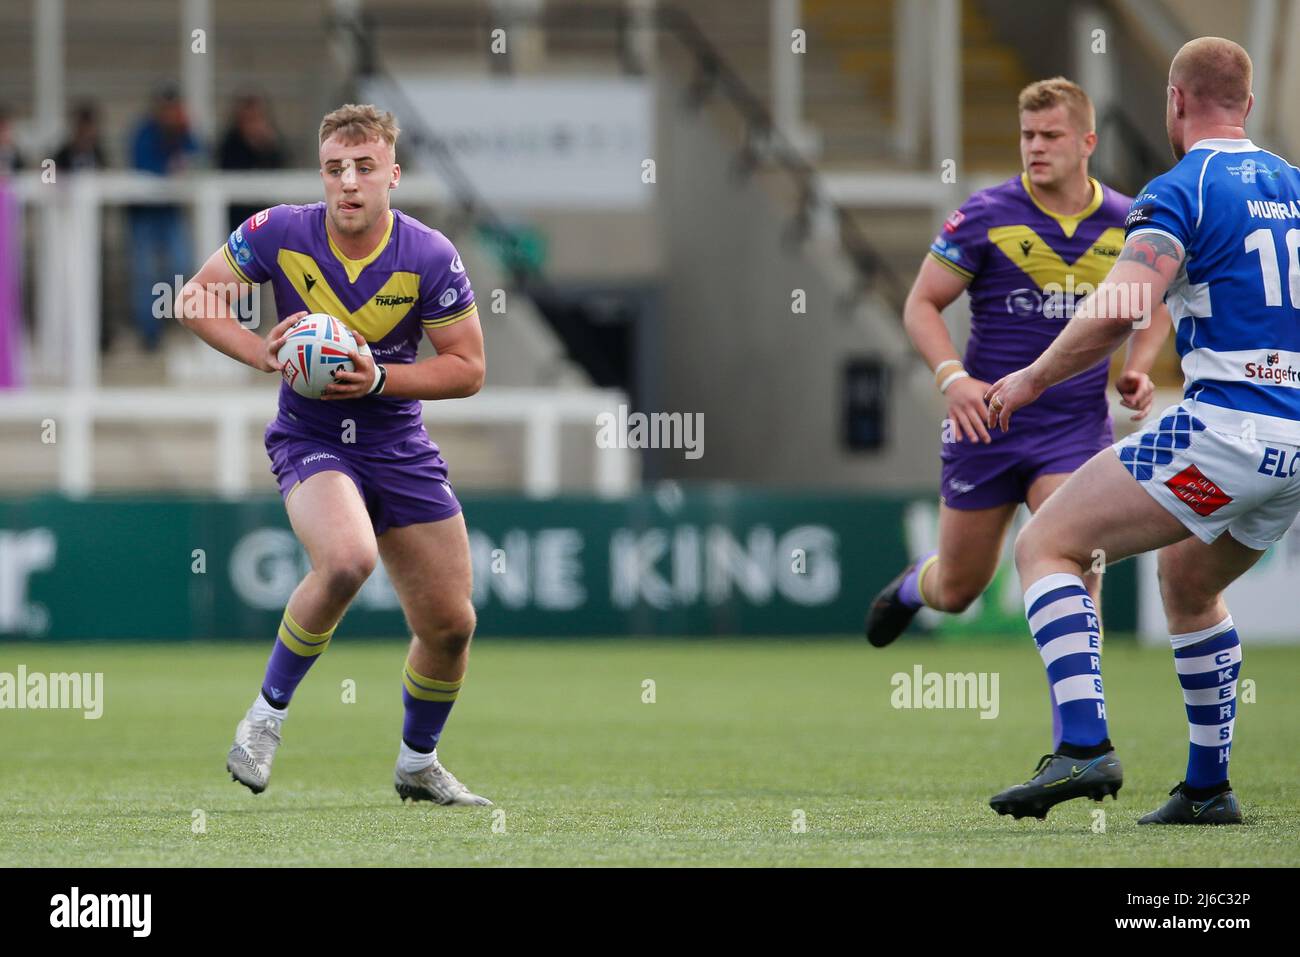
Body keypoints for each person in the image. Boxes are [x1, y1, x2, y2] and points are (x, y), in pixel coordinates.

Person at [984, 37, 1300, 824]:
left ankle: (1084, 746)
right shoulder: (1294, 186)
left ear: (1176, 102)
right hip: (1293, 447)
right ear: (1249, 107)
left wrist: (1031, 377)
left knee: (1045, 545)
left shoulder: (1180, 186)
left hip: (1225, 431)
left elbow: (1125, 303)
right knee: (1189, 582)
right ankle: (1206, 788)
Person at [175, 104, 490, 806]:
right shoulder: (280, 231)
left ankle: (417, 763)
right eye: (334, 169)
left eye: (364, 168)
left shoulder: (429, 255)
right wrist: (259, 349)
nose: (348, 182)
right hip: (312, 437)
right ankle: (264, 718)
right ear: (321, 174)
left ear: (392, 175)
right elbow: (197, 298)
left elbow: (468, 367)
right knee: (348, 558)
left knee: (451, 624)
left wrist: (379, 377)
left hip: (397, 443)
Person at [864, 78, 1170, 748]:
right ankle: (916, 585)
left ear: (1088, 142)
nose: (1035, 147)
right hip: (986, 428)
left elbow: (1156, 306)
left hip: (1073, 431)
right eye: (1028, 136)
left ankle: (1079, 742)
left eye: (1051, 136)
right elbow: (921, 304)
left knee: (1074, 564)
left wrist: (1140, 367)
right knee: (961, 588)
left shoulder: (1128, 220)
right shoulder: (985, 214)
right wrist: (955, 379)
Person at [128, 86, 200, 351]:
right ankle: (150, 333)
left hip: (171, 214)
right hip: (146, 215)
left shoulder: (184, 132)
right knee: (145, 274)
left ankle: (178, 323)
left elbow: (199, 158)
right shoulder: (145, 132)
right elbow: (143, 166)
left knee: (181, 268)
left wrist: (182, 134)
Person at [217, 93, 286, 231]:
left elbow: (281, 167)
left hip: (265, 212)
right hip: (237, 214)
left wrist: (264, 146)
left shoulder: (271, 142)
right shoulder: (230, 143)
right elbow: (228, 170)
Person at [54, 102, 109, 173]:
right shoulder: (61, 157)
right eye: (82, 133)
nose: (85, 139)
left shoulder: (100, 156)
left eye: (89, 136)